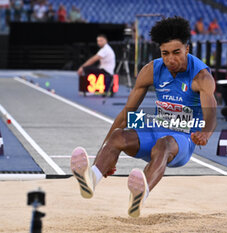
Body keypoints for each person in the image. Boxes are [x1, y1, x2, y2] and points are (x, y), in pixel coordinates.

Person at [70, 16, 217, 218]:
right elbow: (125, 115)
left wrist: (205, 132)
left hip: (182, 140)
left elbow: (211, 113)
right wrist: (102, 154)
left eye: (177, 53)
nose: (171, 60)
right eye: (165, 54)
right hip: (156, 129)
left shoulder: (201, 76)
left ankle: (141, 194)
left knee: (163, 145)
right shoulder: (151, 70)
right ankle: (91, 178)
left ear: (187, 49)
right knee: (118, 136)